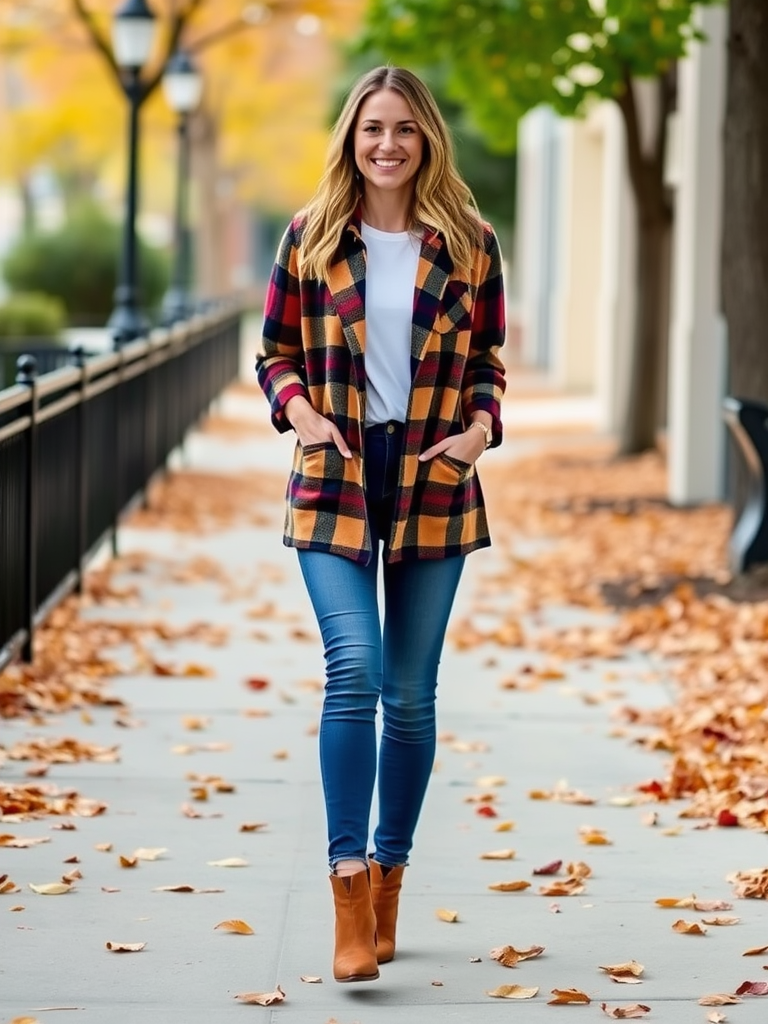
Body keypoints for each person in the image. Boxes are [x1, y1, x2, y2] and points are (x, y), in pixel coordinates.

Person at [256, 65, 506, 983]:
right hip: (338, 472)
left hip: (435, 476)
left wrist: (480, 430)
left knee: (411, 692)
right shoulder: (311, 236)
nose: (388, 144)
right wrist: (303, 416)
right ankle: (347, 882)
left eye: (404, 128)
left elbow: (487, 359)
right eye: (372, 129)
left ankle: (391, 879)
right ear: (351, 139)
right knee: (353, 668)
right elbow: (275, 351)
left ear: (426, 137)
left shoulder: (471, 244)